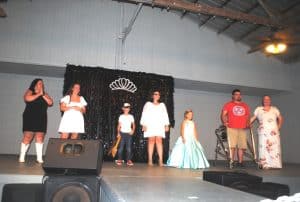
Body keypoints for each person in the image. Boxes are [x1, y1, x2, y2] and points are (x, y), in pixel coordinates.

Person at [19, 78, 53, 163]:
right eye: (39, 83)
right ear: (34, 84)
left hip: (41, 117)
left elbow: (50, 102)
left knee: (40, 136)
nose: (41, 85)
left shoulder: (45, 94)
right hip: (30, 117)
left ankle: (39, 158)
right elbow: (27, 98)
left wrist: (43, 94)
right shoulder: (30, 91)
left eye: (42, 83)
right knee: (28, 136)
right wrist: (38, 94)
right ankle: (22, 156)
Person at [250, 95, 283, 169]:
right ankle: (264, 165)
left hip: (273, 133)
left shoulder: (275, 109)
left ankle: (275, 165)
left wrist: (278, 127)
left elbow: (280, 118)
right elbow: (253, 118)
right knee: (263, 148)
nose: (266, 101)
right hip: (263, 132)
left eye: (268, 99)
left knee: (274, 148)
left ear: (270, 101)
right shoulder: (258, 109)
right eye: (265, 99)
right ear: (263, 101)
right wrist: (247, 123)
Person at [221, 89, 250, 168]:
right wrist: (224, 122)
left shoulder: (245, 105)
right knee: (232, 146)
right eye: (236, 94)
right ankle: (232, 161)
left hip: (242, 128)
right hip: (232, 128)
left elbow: (247, 116)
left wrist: (248, 124)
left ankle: (240, 162)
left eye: (239, 94)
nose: (238, 96)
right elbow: (223, 114)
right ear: (233, 96)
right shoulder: (228, 104)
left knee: (242, 146)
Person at [140, 90, 170, 166]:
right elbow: (144, 114)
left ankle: (160, 160)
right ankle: (150, 160)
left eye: (158, 94)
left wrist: (166, 125)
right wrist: (143, 124)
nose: (157, 95)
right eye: (155, 94)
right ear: (152, 95)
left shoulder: (162, 105)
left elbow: (165, 115)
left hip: (159, 124)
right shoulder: (148, 104)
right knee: (151, 140)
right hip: (150, 124)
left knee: (159, 141)